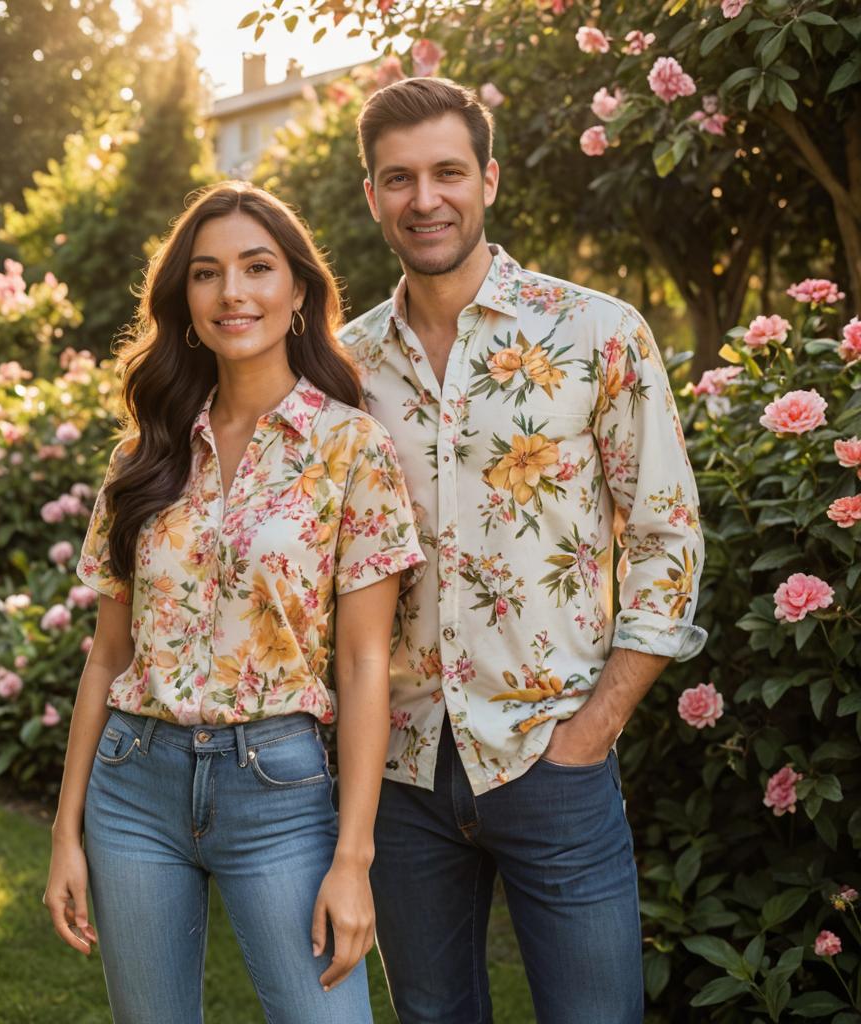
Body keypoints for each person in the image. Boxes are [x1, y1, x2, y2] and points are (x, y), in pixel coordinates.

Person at [340, 77, 707, 1024]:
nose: (426, 199)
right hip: (400, 774)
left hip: (556, 763)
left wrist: (592, 734)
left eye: (448, 172)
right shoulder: (341, 369)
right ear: (372, 193)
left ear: (489, 179)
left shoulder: (597, 333)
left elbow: (667, 535)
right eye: (399, 178)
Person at [42, 181, 425, 1024]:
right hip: (131, 786)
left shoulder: (349, 446)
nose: (233, 292)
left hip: (279, 789)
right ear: (185, 299)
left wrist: (352, 858)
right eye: (208, 273)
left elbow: (366, 664)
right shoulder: (146, 456)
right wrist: (65, 833)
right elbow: (107, 658)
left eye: (257, 267)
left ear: (297, 291)